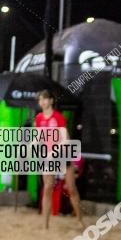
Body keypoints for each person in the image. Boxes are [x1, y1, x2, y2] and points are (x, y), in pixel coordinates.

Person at [35, 90, 84, 230]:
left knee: (71, 189)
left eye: (44, 99)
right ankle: (45, 225)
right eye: (40, 100)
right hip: (47, 157)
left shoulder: (58, 117)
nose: (42, 102)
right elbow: (38, 138)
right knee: (48, 188)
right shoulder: (39, 118)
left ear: (51, 101)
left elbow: (66, 139)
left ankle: (80, 219)